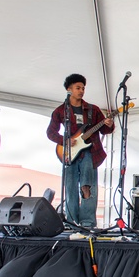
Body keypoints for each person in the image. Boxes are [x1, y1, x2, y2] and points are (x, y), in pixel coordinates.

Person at [47, 73, 115, 228]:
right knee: (70, 188)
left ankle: (87, 222)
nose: (81, 91)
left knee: (88, 188)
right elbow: (51, 132)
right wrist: (64, 141)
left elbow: (105, 130)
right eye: (78, 88)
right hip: (69, 154)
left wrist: (109, 124)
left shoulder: (93, 110)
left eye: (83, 88)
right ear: (69, 89)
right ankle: (71, 222)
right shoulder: (60, 111)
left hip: (90, 153)